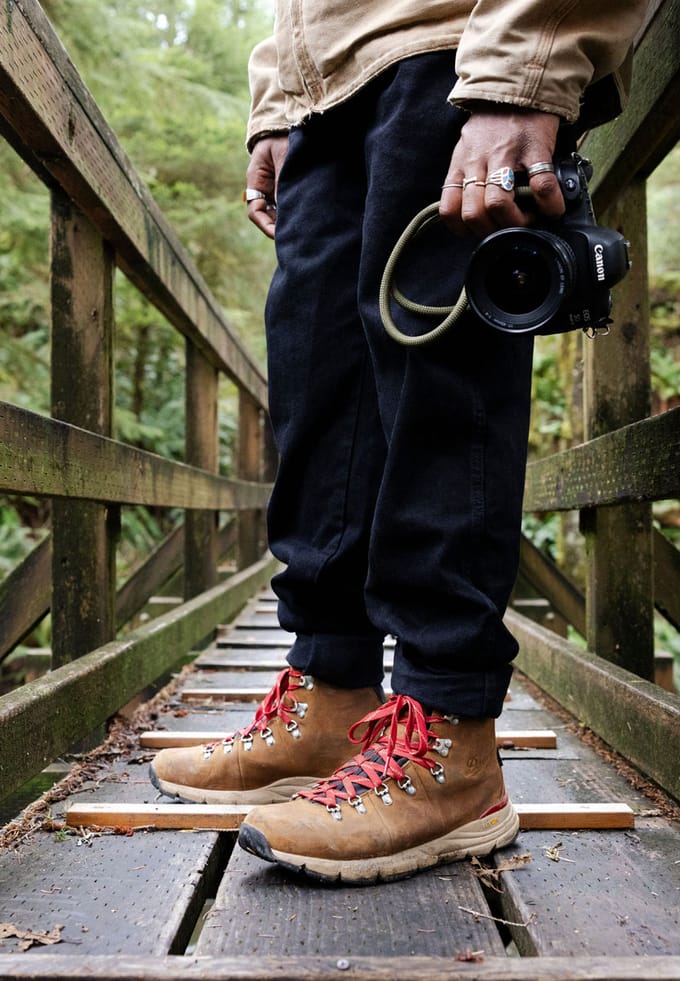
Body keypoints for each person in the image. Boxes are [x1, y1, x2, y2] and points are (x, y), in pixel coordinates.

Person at [150, 0, 648, 884]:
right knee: (316, 385)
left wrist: (523, 67)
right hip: (324, 87)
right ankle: (329, 693)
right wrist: (277, 104)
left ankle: (449, 742)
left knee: (437, 388)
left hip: (456, 48)